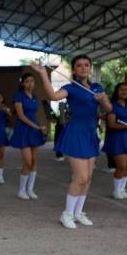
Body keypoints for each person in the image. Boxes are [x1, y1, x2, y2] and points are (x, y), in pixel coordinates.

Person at [31, 56, 112, 229]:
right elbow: (52, 96)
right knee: (80, 177)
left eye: (86, 65)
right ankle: (66, 214)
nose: (83, 68)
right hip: (76, 133)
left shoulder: (97, 88)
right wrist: (43, 73)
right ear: (74, 70)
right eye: (79, 66)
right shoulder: (71, 88)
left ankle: (78, 212)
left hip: (91, 134)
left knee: (88, 178)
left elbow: (109, 109)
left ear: (90, 68)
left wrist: (103, 99)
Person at [9, 73, 47, 199]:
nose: (30, 83)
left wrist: (39, 126)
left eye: (32, 81)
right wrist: (37, 127)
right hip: (24, 130)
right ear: (22, 83)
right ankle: (21, 190)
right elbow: (21, 116)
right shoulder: (18, 96)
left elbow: (34, 114)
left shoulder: (35, 96)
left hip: (34, 128)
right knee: (27, 161)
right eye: (27, 81)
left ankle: (30, 190)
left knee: (35, 161)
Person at [102, 83, 127, 199]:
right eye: (121, 90)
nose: (124, 92)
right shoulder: (112, 106)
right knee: (121, 166)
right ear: (117, 92)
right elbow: (112, 125)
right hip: (117, 138)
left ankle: (122, 189)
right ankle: (116, 190)